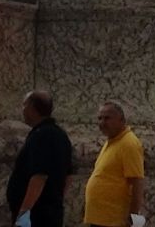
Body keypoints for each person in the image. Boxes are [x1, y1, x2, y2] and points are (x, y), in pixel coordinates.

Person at [8, 89, 74, 227]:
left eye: (24, 105)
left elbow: (39, 176)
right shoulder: (60, 134)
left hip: (37, 215)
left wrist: (24, 213)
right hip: (51, 211)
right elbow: (69, 175)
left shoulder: (41, 136)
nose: (22, 110)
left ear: (32, 108)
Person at [84, 100, 147, 227]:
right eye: (100, 118)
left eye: (107, 118)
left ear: (122, 120)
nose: (102, 123)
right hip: (100, 218)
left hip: (114, 220)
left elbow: (137, 182)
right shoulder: (112, 141)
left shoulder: (128, 143)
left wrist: (133, 217)